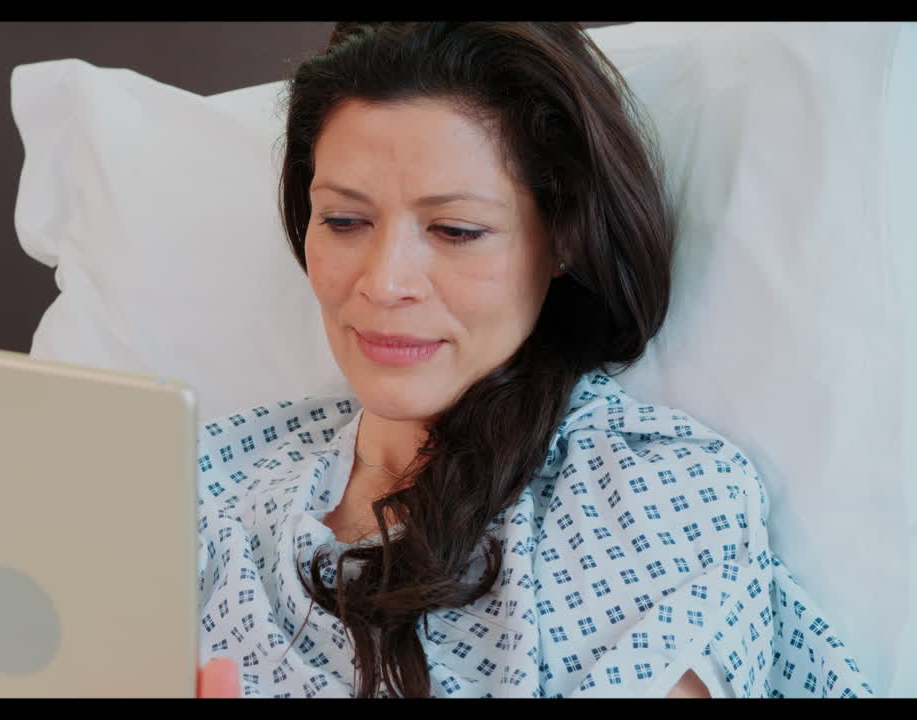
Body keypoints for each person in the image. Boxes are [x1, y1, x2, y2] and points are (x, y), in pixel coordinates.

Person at [192, 21, 874, 698]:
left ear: (563, 240)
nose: (384, 281)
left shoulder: (655, 495)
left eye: (456, 231)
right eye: (343, 221)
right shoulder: (204, 480)